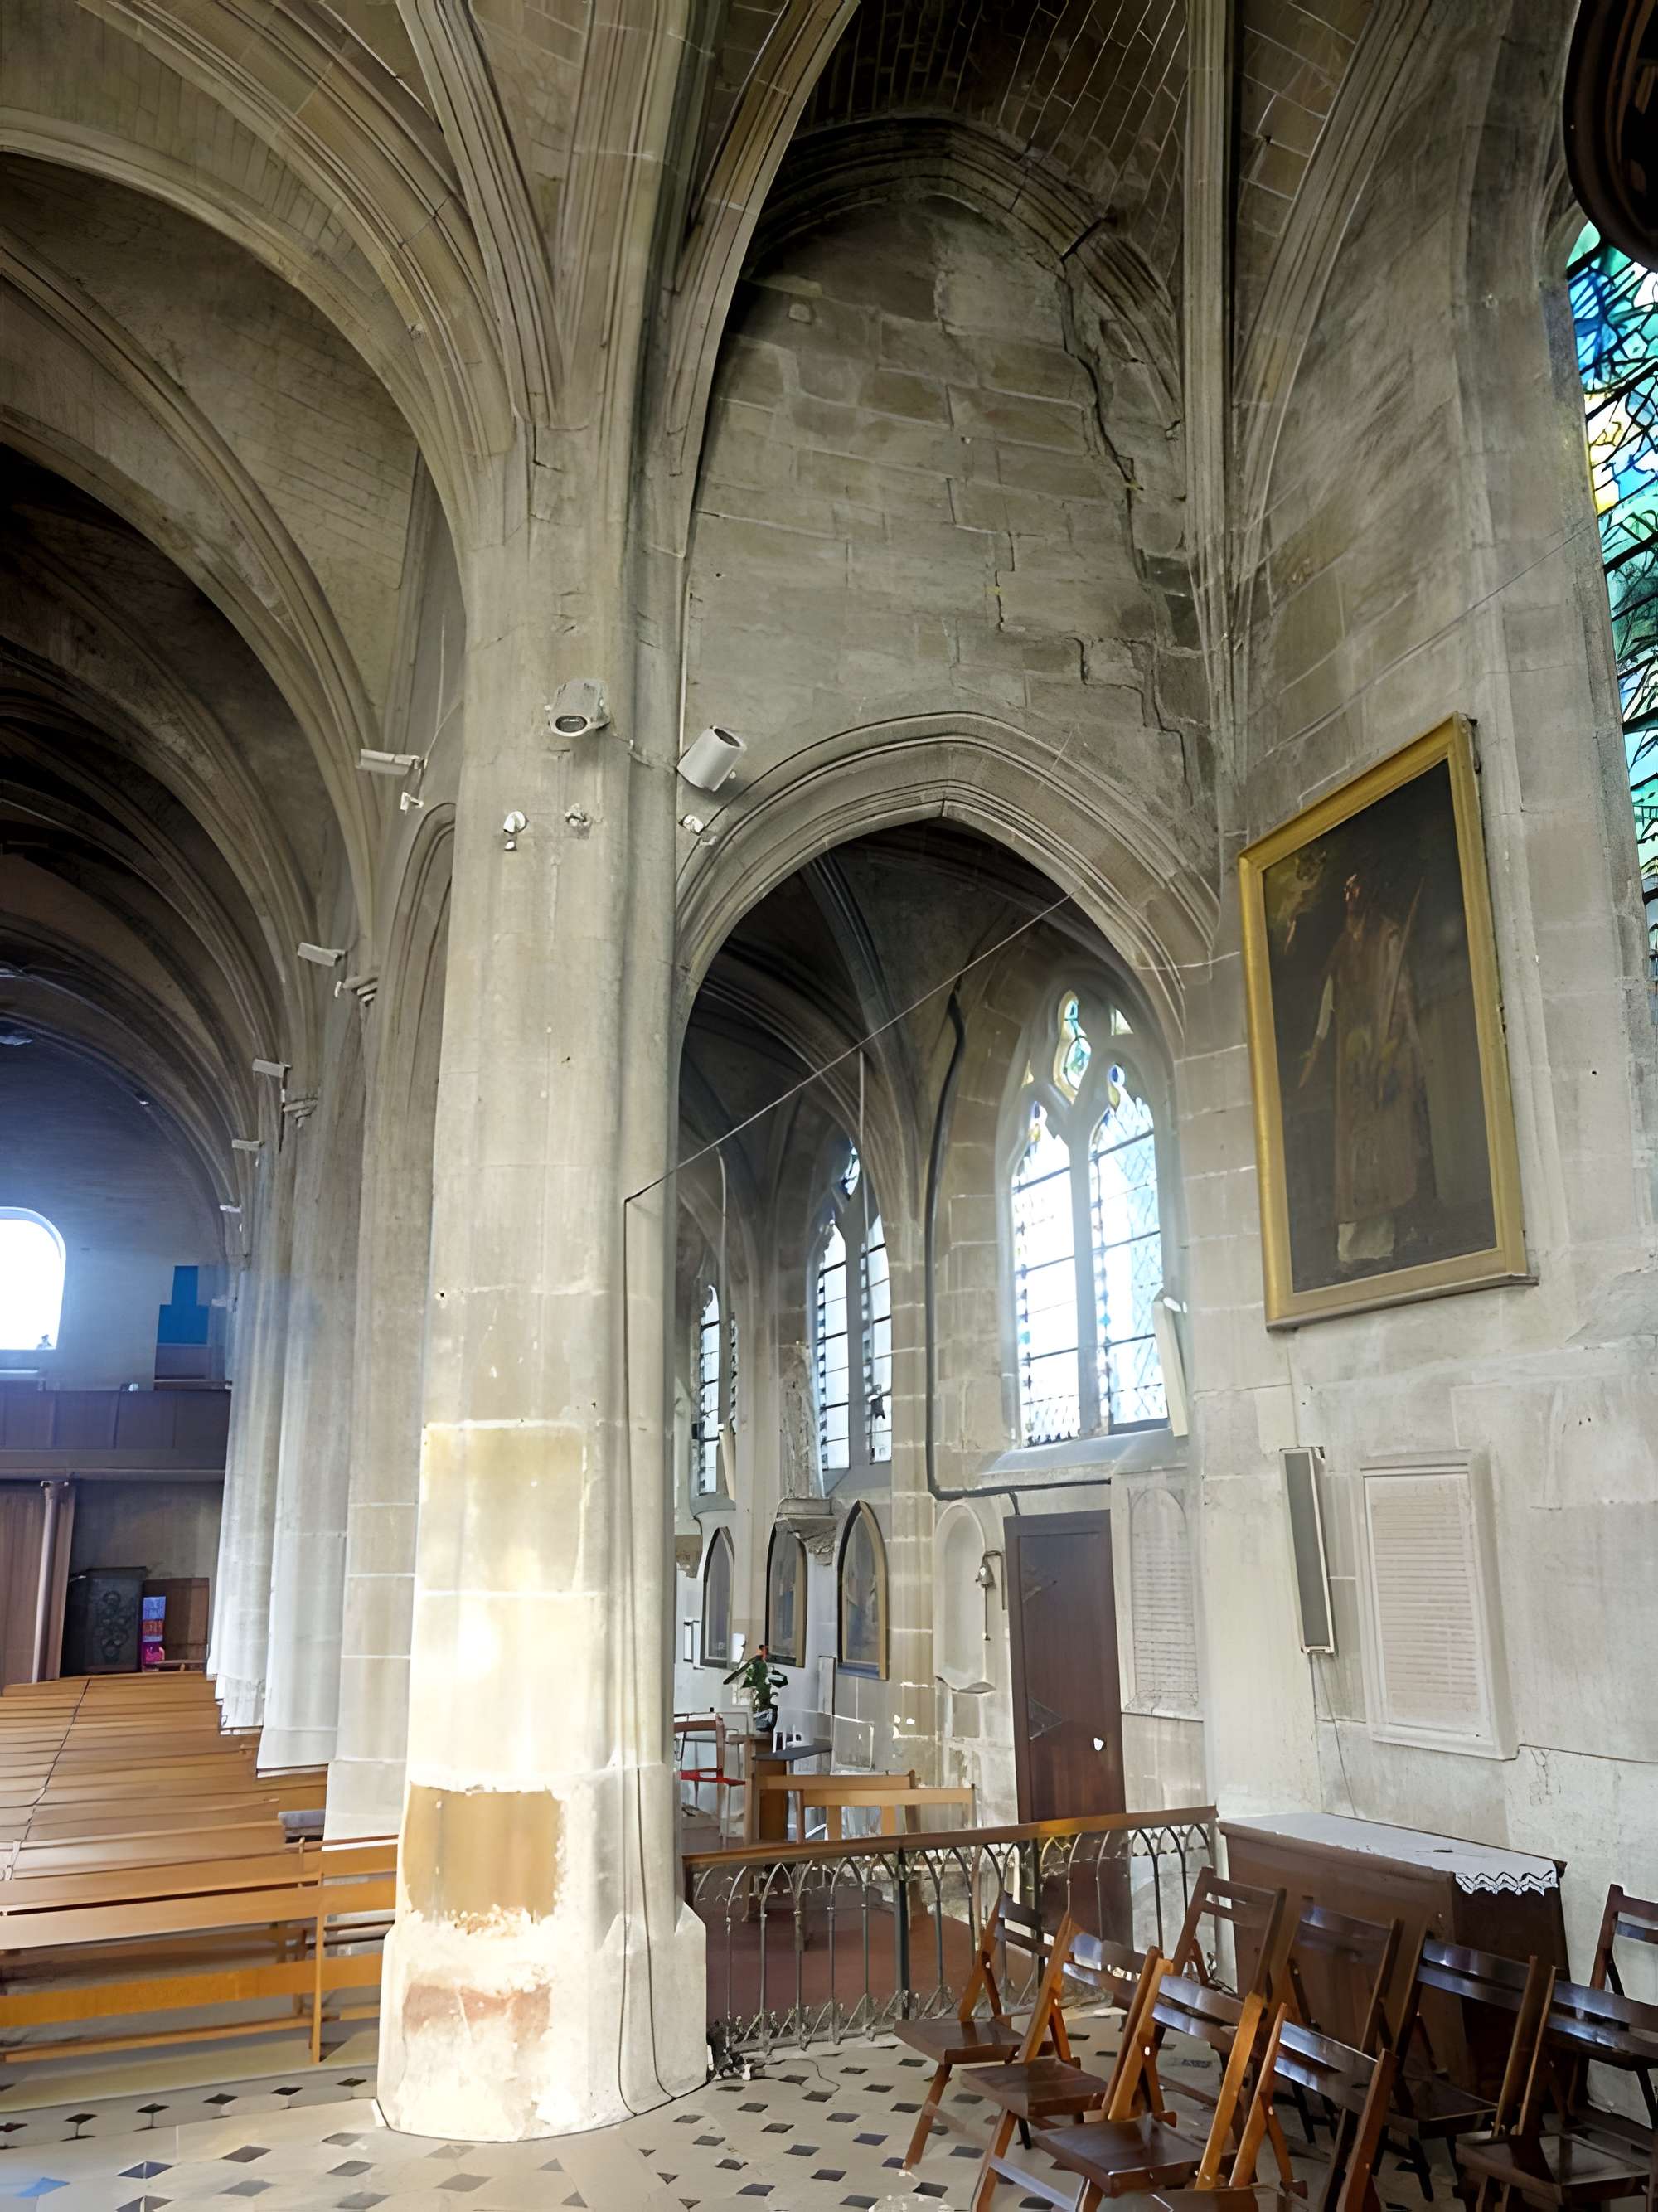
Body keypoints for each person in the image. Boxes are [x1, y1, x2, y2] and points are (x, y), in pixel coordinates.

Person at [1298, 868, 1430, 1270]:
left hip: (1384, 1054)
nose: (1349, 895)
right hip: (1352, 1064)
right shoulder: (1343, 947)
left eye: (1356, 887)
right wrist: (1315, 1054)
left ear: (1368, 893)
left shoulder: (1388, 936)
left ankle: (1392, 1236)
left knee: (1392, 1143)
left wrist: (1397, 1044)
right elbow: (1327, 1006)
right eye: (1345, 888)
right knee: (1355, 1156)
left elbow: (1402, 994)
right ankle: (1355, 1247)